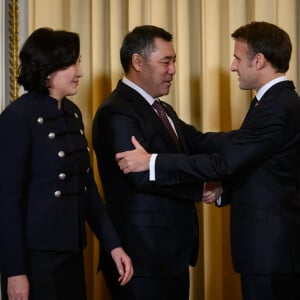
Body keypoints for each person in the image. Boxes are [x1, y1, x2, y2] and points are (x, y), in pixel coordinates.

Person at [116, 21, 300, 300]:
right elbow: (253, 156)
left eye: (238, 58)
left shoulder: (276, 106)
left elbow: (223, 163)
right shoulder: (275, 102)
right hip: (267, 252)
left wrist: (151, 162)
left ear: (259, 61)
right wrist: (224, 188)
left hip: (271, 252)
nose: (233, 66)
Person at [92, 25, 225, 300]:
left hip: (169, 258)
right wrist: (198, 188)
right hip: (140, 261)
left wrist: (254, 138)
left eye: (174, 61)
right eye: (166, 61)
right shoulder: (116, 111)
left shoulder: (162, 109)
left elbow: (200, 142)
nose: (173, 70)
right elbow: (139, 175)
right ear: (138, 62)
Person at [0, 27, 133, 300]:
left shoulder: (72, 114)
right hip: (35, 260)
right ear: (49, 69)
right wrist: (14, 271)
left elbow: (87, 190)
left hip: (71, 252)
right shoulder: (17, 118)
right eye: (73, 63)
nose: (80, 72)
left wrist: (114, 246)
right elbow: (7, 202)